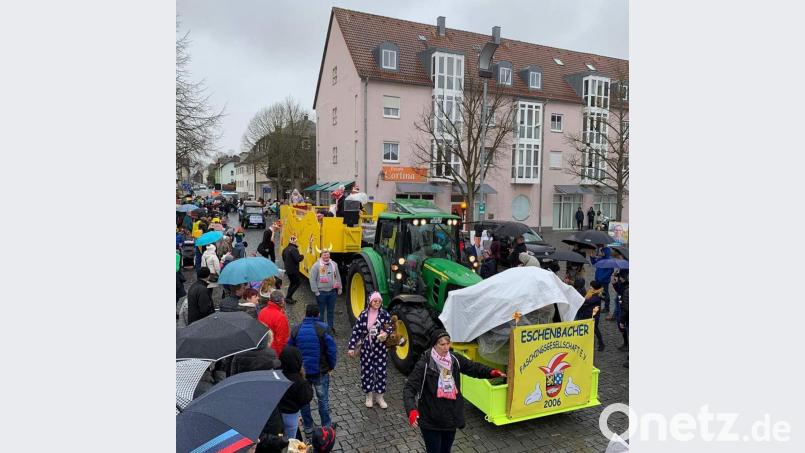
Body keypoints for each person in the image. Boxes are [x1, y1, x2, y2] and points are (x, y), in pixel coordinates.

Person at [403, 329, 505, 453]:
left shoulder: (454, 360)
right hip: (431, 419)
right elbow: (409, 388)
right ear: (434, 345)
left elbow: (473, 367)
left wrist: (491, 372)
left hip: (450, 418)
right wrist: (411, 410)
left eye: (448, 343)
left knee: (446, 450)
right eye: (442, 344)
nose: (446, 348)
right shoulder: (424, 364)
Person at [288, 304, 338, 440]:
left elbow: (289, 350)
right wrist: (331, 366)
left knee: (304, 401)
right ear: (318, 315)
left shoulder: (296, 330)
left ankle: (308, 429)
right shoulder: (323, 329)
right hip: (320, 372)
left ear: (305, 314)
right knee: (323, 400)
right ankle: (326, 428)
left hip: (302, 374)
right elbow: (331, 350)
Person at [347, 291, 393, 409]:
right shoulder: (363, 315)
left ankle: (380, 396)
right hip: (366, 348)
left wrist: (385, 333)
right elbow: (356, 331)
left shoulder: (384, 315)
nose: (377, 303)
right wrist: (351, 347)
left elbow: (390, 327)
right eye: (375, 301)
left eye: (379, 301)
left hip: (381, 349)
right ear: (370, 302)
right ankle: (369, 395)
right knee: (367, 372)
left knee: (381, 372)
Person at [278, 346, 314, 441]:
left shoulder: (277, 375)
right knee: (290, 441)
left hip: (278, 414)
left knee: (280, 438)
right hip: (291, 416)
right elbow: (307, 397)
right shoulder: (299, 381)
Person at [308, 249, 342, 331]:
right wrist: (316, 292)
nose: (327, 256)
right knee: (321, 313)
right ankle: (321, 329)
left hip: (332, 292)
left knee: (331, 312)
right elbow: (312, 279)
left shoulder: (334, 264)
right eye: (325, 255)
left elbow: (337, 276)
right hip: (321, 293)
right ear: (321, 256)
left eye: (328, 255)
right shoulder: (316, 266)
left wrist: (340, 287)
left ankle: (329, 328)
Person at [258, 290, 291, 357]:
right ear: (282, 301)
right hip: (274, 351)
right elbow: (282, 339)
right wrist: (279, 355)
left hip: (263, 347)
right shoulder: (281, 317)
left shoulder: (262, 311)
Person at [576, 280, 605, 351]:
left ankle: (601, 344)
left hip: (593, 316)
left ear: (595, 288)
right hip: (588, 314)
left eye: (591, 286)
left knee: (595, 329)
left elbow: (587, 301)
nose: (590, 287)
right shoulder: (592, 293)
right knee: (590, 329)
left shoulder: (596, 296)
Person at [590, 246, 614, 315]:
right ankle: (598, 306)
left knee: (605, 294)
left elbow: (610, 271)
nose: (601, 253)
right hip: (598, 280)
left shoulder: (609, 261)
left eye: (602, 251)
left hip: (604, 281)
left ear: (605, 252)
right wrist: (592, 257)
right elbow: (594, 263)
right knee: (598, 294)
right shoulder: (601, 259)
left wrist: (602, 278)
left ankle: (606, 308)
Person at [282, 235, 304, 304]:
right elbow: (298, 259)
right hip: (293, 270)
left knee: (292, 283)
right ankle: (288, 297)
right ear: (294, 241)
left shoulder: (285, 249)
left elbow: (283, 258)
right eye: (296, 241)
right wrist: (302, 256)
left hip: (288, 270)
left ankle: (289, 297)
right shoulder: (294, 249)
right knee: (297, 283)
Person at [613, 270, 629, 351]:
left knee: (623, 326)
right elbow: (619, 291)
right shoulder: (624, 284)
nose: (620, 279)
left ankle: (627, 344)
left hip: (624, 311)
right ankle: (626, 343)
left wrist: (622, 319)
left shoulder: (627, 288)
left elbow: (626, 307)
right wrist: (615, 283)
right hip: (622, 308)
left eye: (621, 278)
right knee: (621, 326)